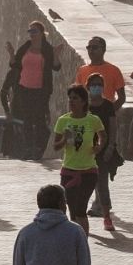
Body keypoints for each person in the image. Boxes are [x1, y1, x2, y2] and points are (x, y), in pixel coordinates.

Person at [75, 37, 127, 232]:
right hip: (85, 146)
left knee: (101, 180)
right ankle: (82, 216)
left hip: (102, 143)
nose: (90, 50)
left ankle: (104, 212)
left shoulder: (113, 71)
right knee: (82, 182)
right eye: (88, 47)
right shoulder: (82, 72)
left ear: (103, 49)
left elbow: (121, 97)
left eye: (94, 47)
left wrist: (110, 110)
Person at [53, 86, 106, 233]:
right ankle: (74, 240)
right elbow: (55, 146)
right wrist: (64, 139)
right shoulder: (63, 120)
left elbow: (103, 136)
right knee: (71, 208)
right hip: (68, 171)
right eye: (70, 98)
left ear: (84, 101)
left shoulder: (93, 120)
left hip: (88, 171)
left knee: (81, 208)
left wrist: (99, 146)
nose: (71, 101)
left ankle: (83, 242)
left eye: (75, 98)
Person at [7, 22, 62, 160]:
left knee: (39, 120)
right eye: (30, 31)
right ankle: (28, 149)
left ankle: (38, 148)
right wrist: (11, 53)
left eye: (35, 31)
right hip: (24, 89)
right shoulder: (26, 46)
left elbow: (56, 67)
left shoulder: (47, 49)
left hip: (41, 90)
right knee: (27, 119)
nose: (31, 34)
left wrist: (56, 55)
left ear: (42, 33)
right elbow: (15, 64)